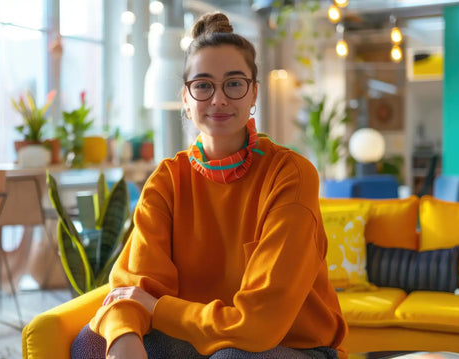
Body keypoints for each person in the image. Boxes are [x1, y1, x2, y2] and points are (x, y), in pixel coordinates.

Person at [71, 12, 347, 359]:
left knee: (230, 358)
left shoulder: (290, 174)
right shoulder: (168, 179)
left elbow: (259, 325)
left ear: (253, 94)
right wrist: (124, 334)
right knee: (91, 343)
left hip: (291, 345)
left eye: (234, 83)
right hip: (197, 334)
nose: (218, 99)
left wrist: (157, 309)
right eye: (203, 85)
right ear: (186, 99)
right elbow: (134, 284)